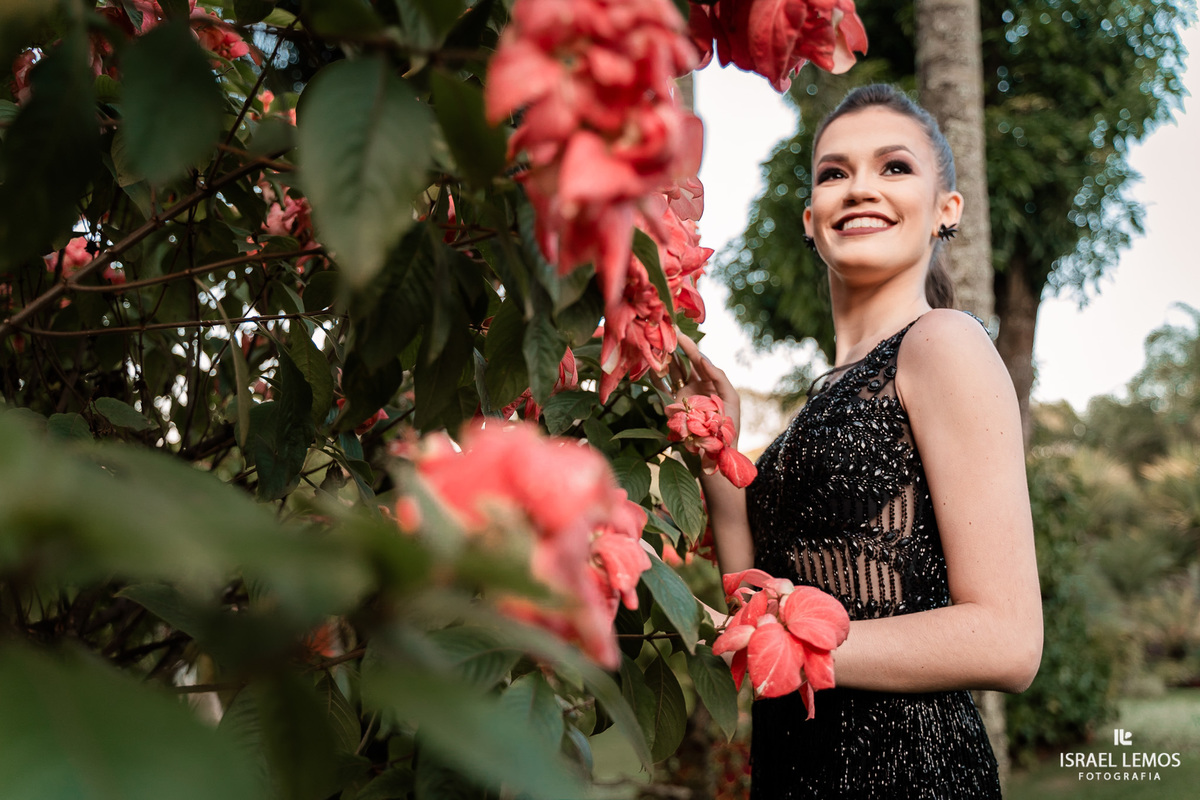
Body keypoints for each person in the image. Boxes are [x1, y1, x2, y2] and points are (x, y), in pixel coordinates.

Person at [675, 84, 1043, 798]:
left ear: (947, 210)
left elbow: (1009, 639)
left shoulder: (943, 344)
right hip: (794, 772)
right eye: (834, 172)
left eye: (895, 167)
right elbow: (755, 594)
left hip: (907, 773)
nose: (859, 187)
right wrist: (718, 452)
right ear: (810, 220)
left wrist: (798, 640)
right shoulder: (825, 395)